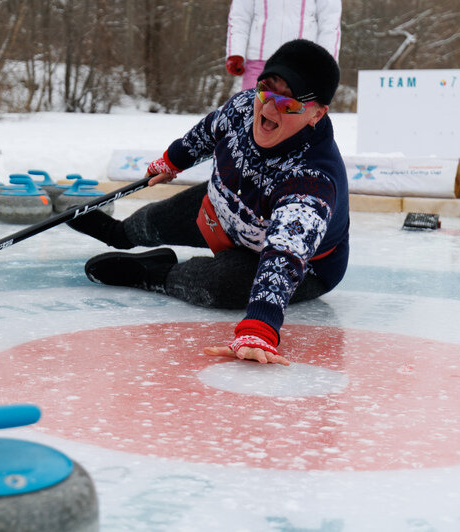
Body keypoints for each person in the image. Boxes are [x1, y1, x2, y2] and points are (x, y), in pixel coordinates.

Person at [68, 39, 349, 366]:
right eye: (266, 90)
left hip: (296, 264)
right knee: (155, 221)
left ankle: (155, 273)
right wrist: (173, 161)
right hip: (225, 206)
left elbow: (284, 255)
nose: (269, 108)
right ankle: (120, 234)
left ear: (317, 113)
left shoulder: (311, 180)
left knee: (220, 286)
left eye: (288, 103)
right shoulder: (245, 106)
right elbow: (208, 131)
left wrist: (259, 328)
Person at [226, 0, 342, 91]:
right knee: (251, 109)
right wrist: (236, 52)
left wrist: (326, 64)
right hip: (259, 62)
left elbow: (330, 22)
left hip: (302, 64)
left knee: (297, 111)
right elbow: (240, 16)